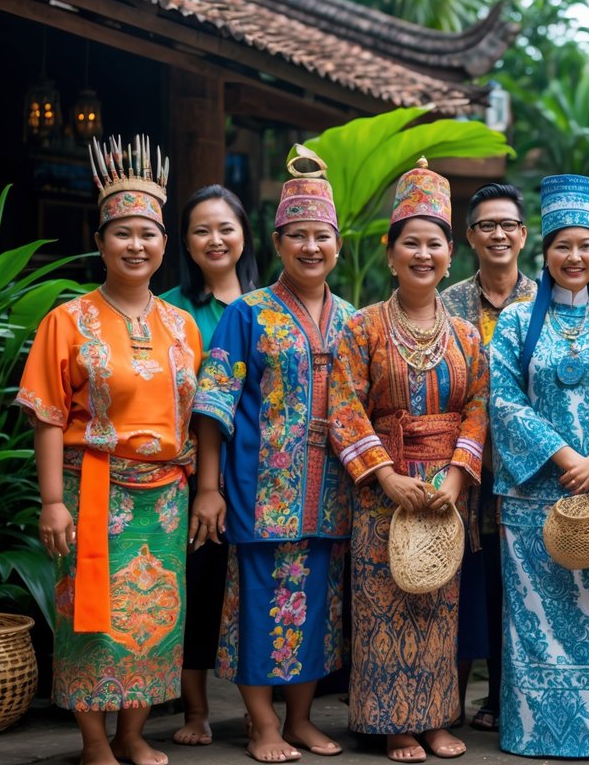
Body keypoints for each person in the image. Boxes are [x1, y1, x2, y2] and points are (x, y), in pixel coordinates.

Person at [19, 135, 200, 765]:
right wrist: (51, 502)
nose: (135, 245)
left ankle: (132, 733)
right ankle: (95, 740)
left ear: (163, 245)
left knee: (154, 616)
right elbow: (45, 415)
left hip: (167, 497)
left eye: (147, 233)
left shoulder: (182, 326)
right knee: (90, 618)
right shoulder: (67, 321)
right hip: (91, 489)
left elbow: (195, 414)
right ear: (101, 243)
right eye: (121, 233)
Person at [192, 147, 356, 763]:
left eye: (322, 237)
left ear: (336, 245)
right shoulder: (246, 313)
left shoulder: (352, 319)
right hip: (261, 491)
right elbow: (214, 406)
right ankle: (260, 724)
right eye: (299, 237)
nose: (311, 248)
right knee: (258, 609)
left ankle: (301, 719)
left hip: (333, 490)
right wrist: (209, 488)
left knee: (319, 610)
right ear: (278, 241)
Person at [328, 159, 489, 762]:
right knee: (384, 605)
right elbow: (343, 406)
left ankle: (437, 717)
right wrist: (386, 475)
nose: (424, 255)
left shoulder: (469, 335)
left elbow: (478, 406)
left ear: (451, 254)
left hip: (447, 489)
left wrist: (454, 474)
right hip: (381, 492)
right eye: (411, 243)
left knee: (439, 607)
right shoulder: (363, 327)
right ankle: (394, 722)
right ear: (391, 252)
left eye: (435, 244)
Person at [489, 174, 589, 757]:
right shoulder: (514, 322)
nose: (573, 257)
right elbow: (503, 399)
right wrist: (563, 457)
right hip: (535, 502)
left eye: (584, 245)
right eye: (562, 246)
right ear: (544, 252)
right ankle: (533, 731)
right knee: (534, 624)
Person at [160, 184, 260, 748]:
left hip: (262, 479)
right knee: (197, 591)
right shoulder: (169, 310)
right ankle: (195, 708)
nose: (215, 239)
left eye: (226, 228)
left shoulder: (272, 304)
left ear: (245, 235)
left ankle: (257, 710)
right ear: (186, 242)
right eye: (202, 229)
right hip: (189, 477)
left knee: (257, 592)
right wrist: (205, 483)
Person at [440, 182, 537, 733]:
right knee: (464, 581)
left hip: (527, 470)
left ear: (523, 235)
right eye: (485, 226)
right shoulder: (447, 300)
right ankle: (448, 700)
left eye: (508, 225)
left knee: (516, 585)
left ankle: (505, 699)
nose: (498, 235)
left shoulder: (546, 299)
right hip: (459, 466)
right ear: (470, 237)